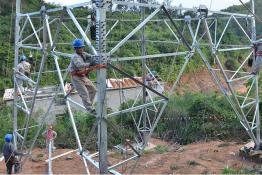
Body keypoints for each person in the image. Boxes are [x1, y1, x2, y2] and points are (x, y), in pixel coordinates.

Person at [68, 39, 106, 114]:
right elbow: (79, 65)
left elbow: (92, 57)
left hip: (82, 75)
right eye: (79, 48)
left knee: (93, 90)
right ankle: (89, 108)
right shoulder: (75, 57)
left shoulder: (84, 54)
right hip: (76, 77)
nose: (81, 49)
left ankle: (90, 105)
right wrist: (90, 64)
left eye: (82, 47)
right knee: (84, 93)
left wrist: (98, 60)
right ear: (75, 49)